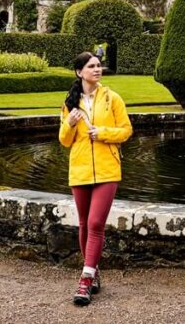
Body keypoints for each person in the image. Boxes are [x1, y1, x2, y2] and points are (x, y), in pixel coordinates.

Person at [58, 51, 133, 306]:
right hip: (79, 170)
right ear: (80, 72)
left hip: (107, 169)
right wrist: (68, 123)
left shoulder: (112, 98)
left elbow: (126, 130)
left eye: (99, 66)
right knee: (83, 223)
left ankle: (86, 279)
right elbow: (64, 141)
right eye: (92, 66)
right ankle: (93, 268)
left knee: (95, 222)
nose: (97, 69)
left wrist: (103, 132)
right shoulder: (70, 102)